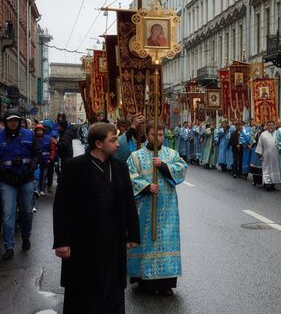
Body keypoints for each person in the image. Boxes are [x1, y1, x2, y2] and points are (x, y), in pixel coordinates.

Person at [53, 122, 140, 313]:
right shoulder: (73, 167)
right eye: (113, 140)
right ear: (99, 143)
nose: (118, 144)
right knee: (83, 293)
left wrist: (133, 233)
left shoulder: (119, 167)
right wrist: (62, 241)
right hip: (82, 242)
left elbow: (128, 202)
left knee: (112, 290)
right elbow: (61, 206)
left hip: (113, 240)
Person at [127, 123, 188, 295]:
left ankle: (166, 283)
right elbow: (130, 176)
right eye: (154, 134)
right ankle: (143, 279)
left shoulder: (171, 154)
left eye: (161, 135)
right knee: (146, 239)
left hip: (167, 207)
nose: (158, 138)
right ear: (147, 135)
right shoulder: (136, 156)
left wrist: (163, 166)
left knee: (166, 240)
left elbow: (182, 169)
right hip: (145, 206)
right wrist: (146, 187)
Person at [0, 110, 39, 259]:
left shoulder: (29, 134)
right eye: (10, 120)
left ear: (20, 121)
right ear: (5, 121)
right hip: (7, 180)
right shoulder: (0, 136)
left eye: (16, 120)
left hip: (25, 178)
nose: (13, 122)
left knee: (27, 212)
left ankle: (26, 238)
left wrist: (33, 166)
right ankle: (9, 246)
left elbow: (37, 153)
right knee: (8, 213)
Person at [256, 120, 281, 191]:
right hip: (266, 155)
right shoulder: (263, 134)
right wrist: (259, 155)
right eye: (269, 125)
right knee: (266, 169)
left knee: (275, 169)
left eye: (272, 125)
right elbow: (260, 145)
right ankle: (267, 184)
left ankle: (272, 184)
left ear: (274, 126)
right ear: (267, 126)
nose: (270, 126)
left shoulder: (278, 133)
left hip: (276, 155)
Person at [34, 124, 56, 197]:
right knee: (38, 175)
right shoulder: (34, 139)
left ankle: (42, 189)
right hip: (37, 160)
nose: (39, 132)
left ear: (43, 131)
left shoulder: (48, 138)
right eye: (38, 131)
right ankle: (37, 189)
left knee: (44, 175)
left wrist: (51, 158)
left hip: (46, 160)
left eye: (40, 130)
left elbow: (52, 150)